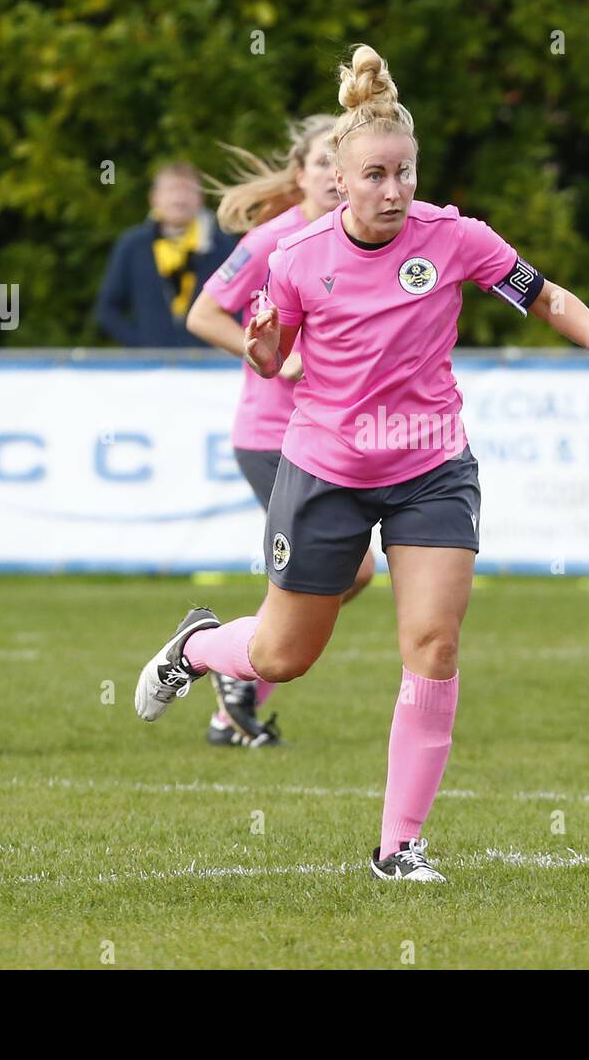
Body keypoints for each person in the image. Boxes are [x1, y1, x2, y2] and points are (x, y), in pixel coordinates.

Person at [134, 45, 589, 883]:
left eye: (404, 172)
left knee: (433, 645)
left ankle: (398, 846)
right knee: (286, 655)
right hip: (325, 469)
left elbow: (540, 293)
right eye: (375, 175)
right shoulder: (295, 259)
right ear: (338, 172)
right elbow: (270, 358)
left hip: (433, 466)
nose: (393, 190)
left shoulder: (456, 236)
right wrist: (263, 348)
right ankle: (197, 649)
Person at [187, 115, 376, 748]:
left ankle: (231, 691)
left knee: (348, 573)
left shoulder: (357, 237)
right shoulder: (277, 239)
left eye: (338, 162)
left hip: (326, 435)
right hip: (274, 434)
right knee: (335, 571)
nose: (330, 174)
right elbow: (204, 312)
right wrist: (271, 358)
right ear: (299, 175)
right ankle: (221, 665)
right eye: (320, 162)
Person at [95, 163, 234, 347]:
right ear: (154, 198)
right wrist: (141, 345)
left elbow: (240, 304)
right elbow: (108, 309)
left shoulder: (223, 246)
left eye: (187, 191)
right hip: (148, 369)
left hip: (208, 368)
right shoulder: (133, 245)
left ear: (200, 199)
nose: (179, 199)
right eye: (171, 190)